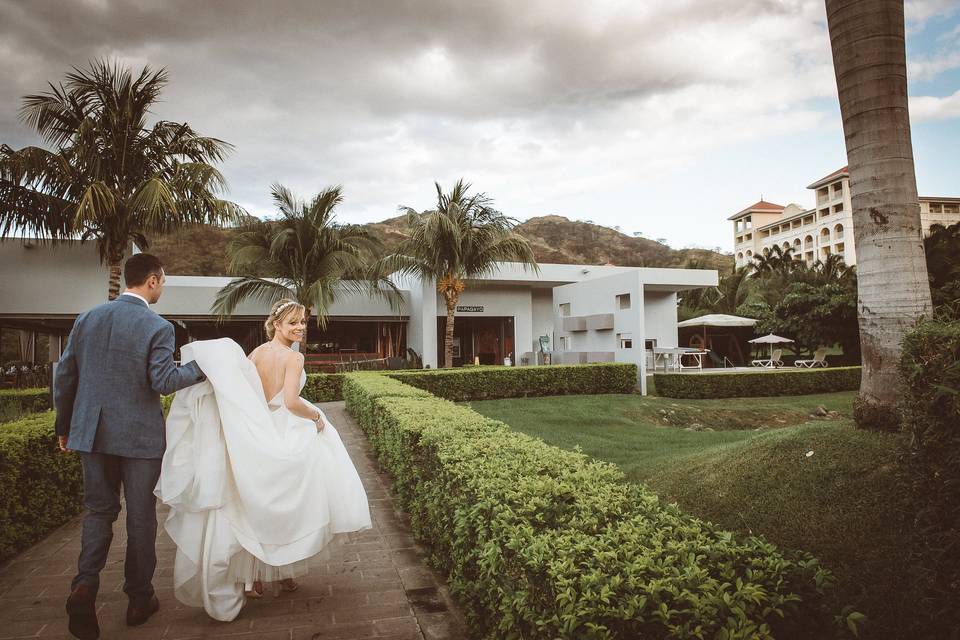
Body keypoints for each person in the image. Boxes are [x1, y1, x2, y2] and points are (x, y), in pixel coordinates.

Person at [156, 298, 371, 621]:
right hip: (285, 427)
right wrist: (316, 417)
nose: (299, 328)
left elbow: (248, 395)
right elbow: (291, 401)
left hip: (257, 430)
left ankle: (257, 577)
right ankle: (283, 571)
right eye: (293, 322)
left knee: (251, 505)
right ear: (277, 324)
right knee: (296, 505)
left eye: (303, 323)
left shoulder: (255, 354)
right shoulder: (294, 357)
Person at [55, 253, 207, 640]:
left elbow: (65, 374)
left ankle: (84, 585)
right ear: (153, 281)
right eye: (164, 282)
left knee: (98, 512)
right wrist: (204, 366)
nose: (162, 289)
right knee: (140, 518)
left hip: (90, 433)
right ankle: (139, 598)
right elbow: (164, 380)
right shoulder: (157, 326)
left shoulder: (87, 318)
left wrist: (65, 426)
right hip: (139, 438)